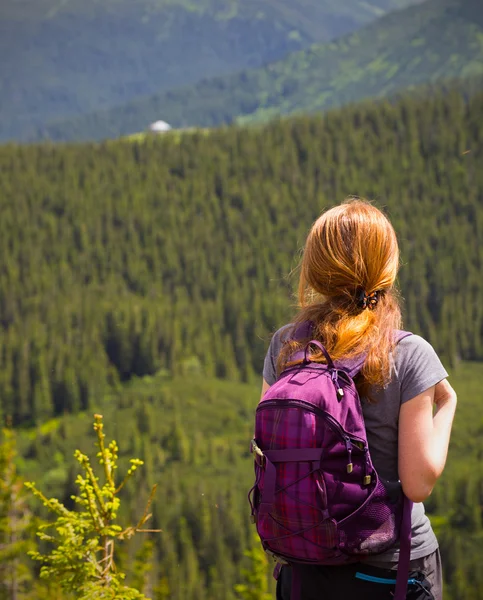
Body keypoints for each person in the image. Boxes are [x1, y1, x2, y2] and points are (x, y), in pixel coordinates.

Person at [261, 198, 457, 600]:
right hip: (391, 571)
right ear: (386, 268)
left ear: (315, 267)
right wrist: (448, 403)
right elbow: (418, 483)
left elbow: (267, 449)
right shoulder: (409, 353)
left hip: (305, 568)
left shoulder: (286, 344)